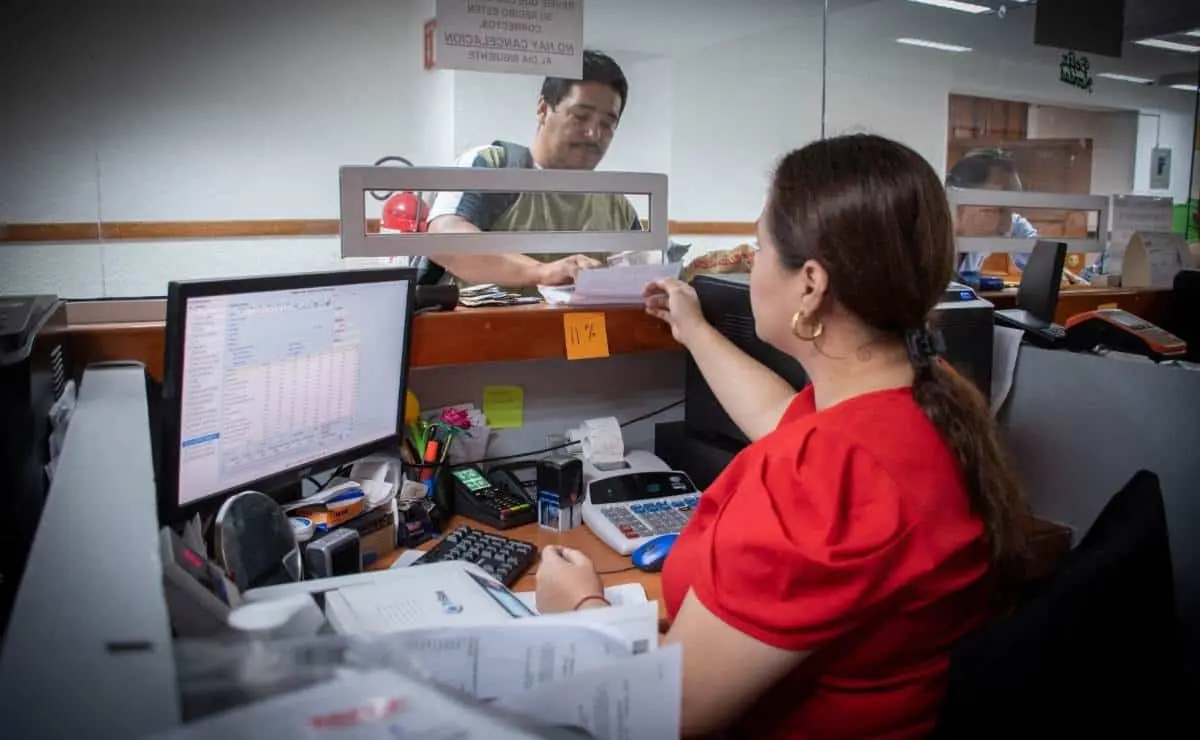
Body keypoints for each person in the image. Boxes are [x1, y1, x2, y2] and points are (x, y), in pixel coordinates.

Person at [535, 134, 1032, 739]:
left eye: (760, 247)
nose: (752, 265)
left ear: (811, 283)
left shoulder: (823, 475)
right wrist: (694, 330)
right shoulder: (923, 395)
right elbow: (779, 415)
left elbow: (670, 712)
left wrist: (580, 608)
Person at [424, 50, 641, 289]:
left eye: (607, 123)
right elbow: (443, 239)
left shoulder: (616, 205)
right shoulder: (494, 166)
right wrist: (541, 272)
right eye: (580, 117)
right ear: (543, 109)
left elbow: (639, 277)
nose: (593, 133)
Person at [946, 148, 1039, 275]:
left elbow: (1041, 260)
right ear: (959, 205)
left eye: (1011, 209)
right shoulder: (927, 243)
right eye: (999, 209)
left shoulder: (998, 224)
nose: (1007, 224)